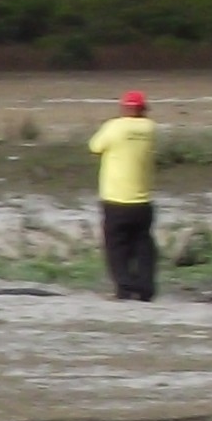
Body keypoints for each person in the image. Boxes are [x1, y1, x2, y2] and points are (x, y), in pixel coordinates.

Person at [90, 88, 161, 301]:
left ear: (124, 108)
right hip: (143, 200)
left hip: (116, 199)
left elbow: (94, 146)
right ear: (143, 110)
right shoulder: (151, 129)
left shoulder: (114, 127)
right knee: (143, 245)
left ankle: (124, 287)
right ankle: (145, 288)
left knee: (116, 246)